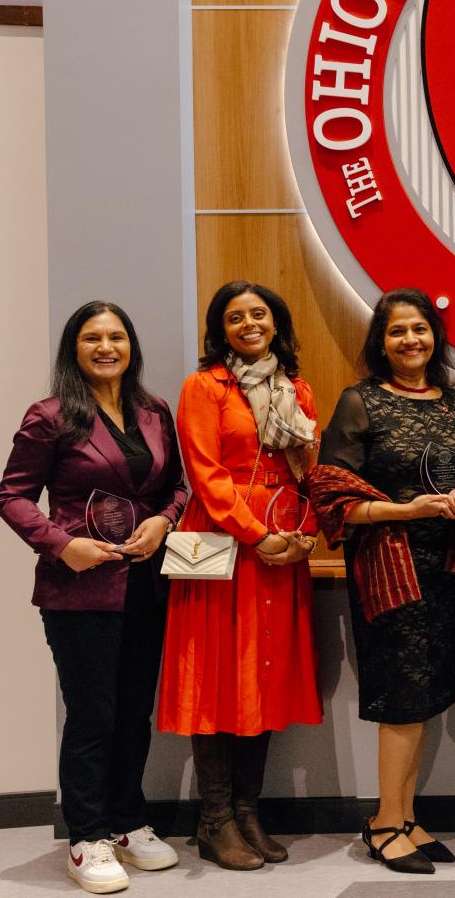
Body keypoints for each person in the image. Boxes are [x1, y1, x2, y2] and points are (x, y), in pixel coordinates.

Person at [0, 301, 188, 894]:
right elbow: (12, 496)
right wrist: (60, 545)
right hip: (79, 589)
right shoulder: (50, 416)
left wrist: (165, 521)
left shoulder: (153, 411)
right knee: (92, 715)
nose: (106, 348)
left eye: (116, 337)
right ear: (73, 350)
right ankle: (87, 836)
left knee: (134, 711)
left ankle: (128, 823)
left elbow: (178, 485)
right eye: (92, 339)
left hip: (146, 582)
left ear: (131, 346)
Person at [315, 288, 455, 874]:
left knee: (424, 699)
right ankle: (384, 824)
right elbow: (332, 499)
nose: (410, 340)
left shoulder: (454, 405)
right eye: (397, 332)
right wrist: (408, 511)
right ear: (381, 342)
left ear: (434, 337)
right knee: (400, 700)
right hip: (388, 573)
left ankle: (407, 815)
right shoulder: (359, 402)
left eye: (419, 329)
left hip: (443, 572)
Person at [157, 280, 322, 871]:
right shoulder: (204, 387)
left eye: (259, 314)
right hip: (227, 546)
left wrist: (303, 533)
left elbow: (310, 470)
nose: (249, 324)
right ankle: (215, 818)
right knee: (219, 680)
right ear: (219, 330)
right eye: (235, 317)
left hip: (282, 549)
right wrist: (259, 534)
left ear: (275, 323)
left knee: (267, 677)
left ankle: (249, 811)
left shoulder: (296, 389)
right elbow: (205, 473)